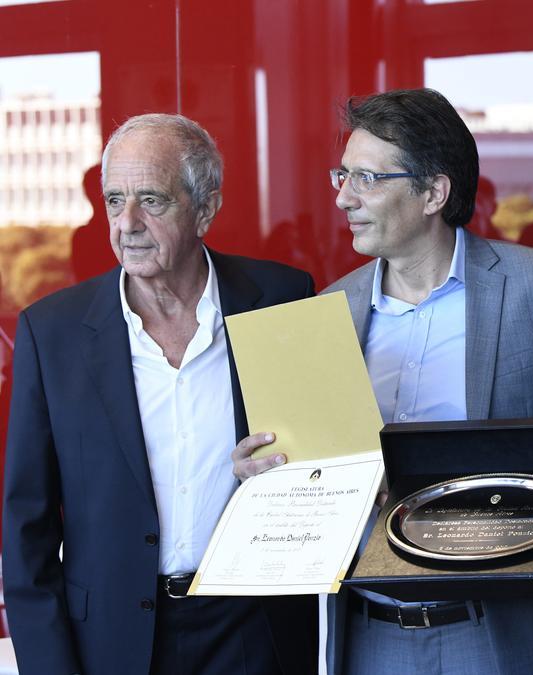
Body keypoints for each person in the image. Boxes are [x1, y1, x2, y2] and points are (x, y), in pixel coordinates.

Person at [234, 88, 533, 675]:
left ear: (433, 192)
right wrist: (264, 477)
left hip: (498, 632)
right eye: (341, 176)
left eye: (367, 178)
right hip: (369, 634)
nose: (344, 197)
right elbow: (311, 474)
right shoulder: (328, 310)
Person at [3, 113, 317, 674]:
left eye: (151, 199)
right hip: (110, 640)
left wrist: (284, 477)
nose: (128, 223)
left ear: (206, 208)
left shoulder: (281, 299)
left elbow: (331, 464)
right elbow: (26, 527)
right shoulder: (51, 332)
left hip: (253, 628)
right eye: (114, 199)